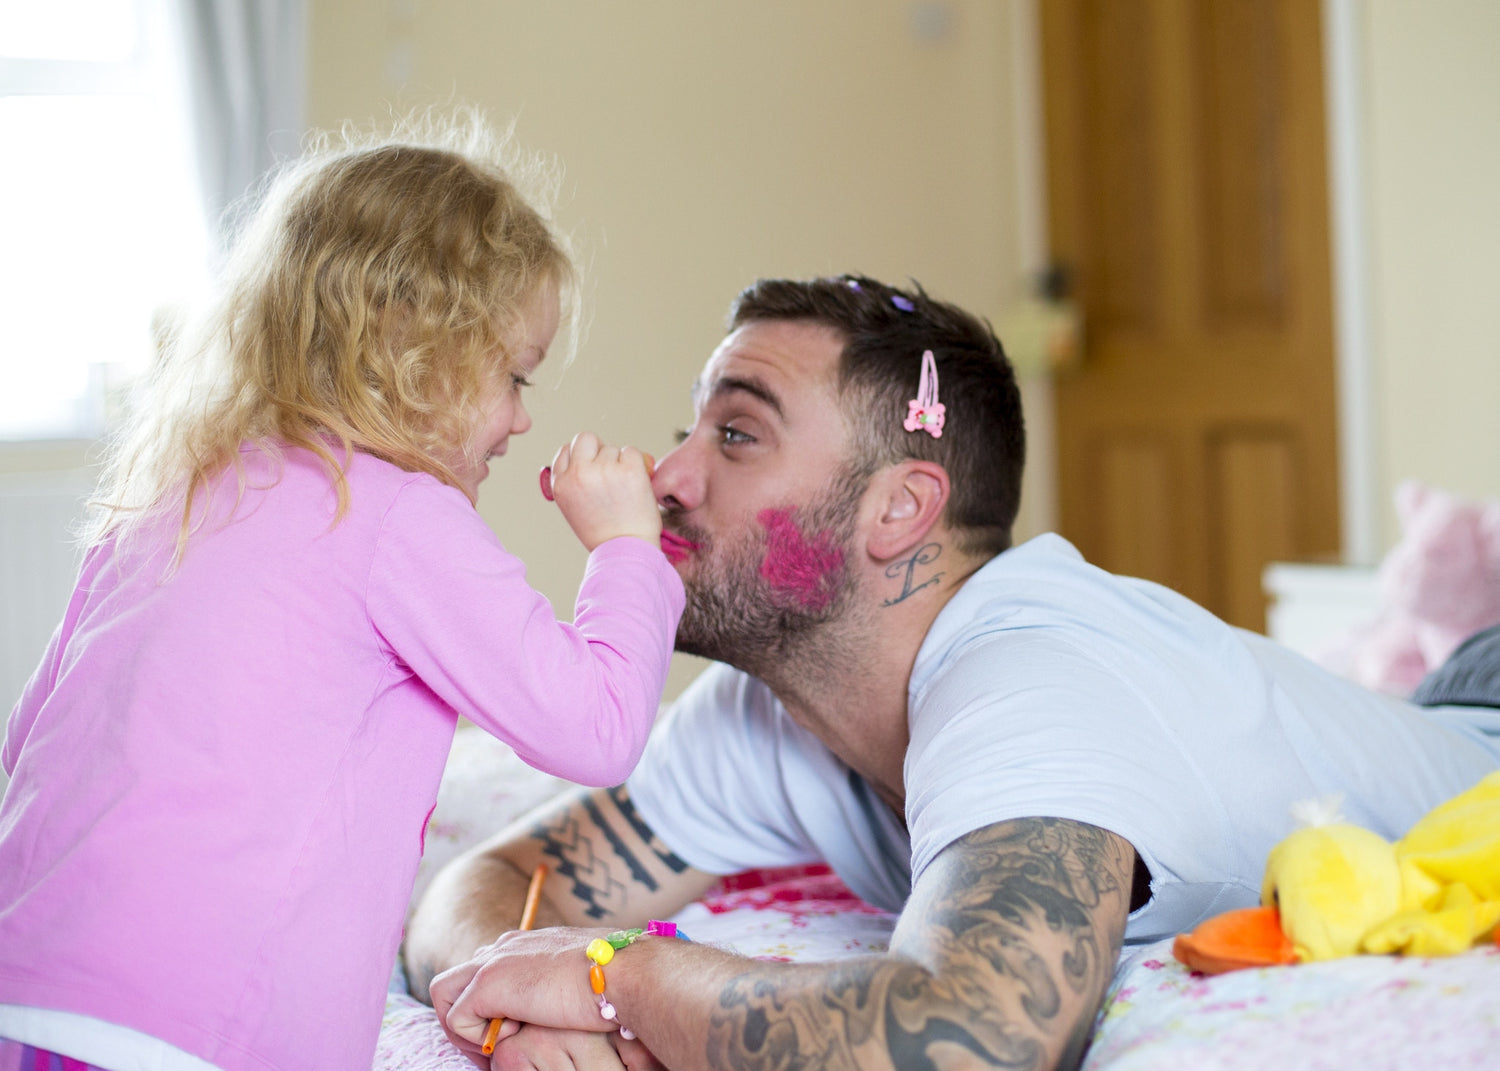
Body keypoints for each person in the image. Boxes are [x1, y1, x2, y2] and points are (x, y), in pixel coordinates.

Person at [407, 274, 1500, 1071]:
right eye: (687, 427)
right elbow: (487, 887)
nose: (666, 476)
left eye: (736, 436)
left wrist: (614, 983)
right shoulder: (767, 708)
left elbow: (971, 1038)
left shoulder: (1024, 676)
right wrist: (513, 1002)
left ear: (901, 510)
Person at [0, 114, 684, 1071]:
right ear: (423, 353)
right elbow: (599, 726)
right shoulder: (397, 514)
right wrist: (625, 546)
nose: (525, 418)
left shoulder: (175, 491)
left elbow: (30, 737)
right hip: (201, 1032)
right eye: (516, 376)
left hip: (28, 991)